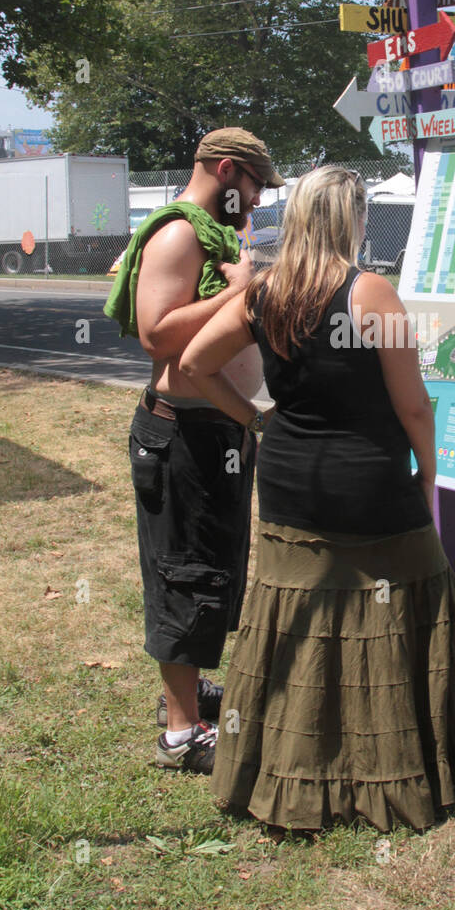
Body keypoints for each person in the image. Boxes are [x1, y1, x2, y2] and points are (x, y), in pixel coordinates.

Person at [179, 165, 455, 831]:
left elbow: (192, 366)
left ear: (296, 218)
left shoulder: (263, 294)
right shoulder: (370, 292)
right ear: (349, 219)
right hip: (372, 483)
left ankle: (279, 773)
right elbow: (413, 406)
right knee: (425, 612)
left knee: (298, 621)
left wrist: (255, 417)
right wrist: (429, 475)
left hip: (291, 483)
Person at [104, 127, 284, 775]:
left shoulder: (214, 235)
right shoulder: (180, 233)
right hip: (180, 432)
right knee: (183, 567)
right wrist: (244, 289)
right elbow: (158, 334)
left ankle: (185, 692)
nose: (258, 202)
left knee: (208, 562)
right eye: (255, 187)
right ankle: (182, 733)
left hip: (211, 429)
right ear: (228, 169)